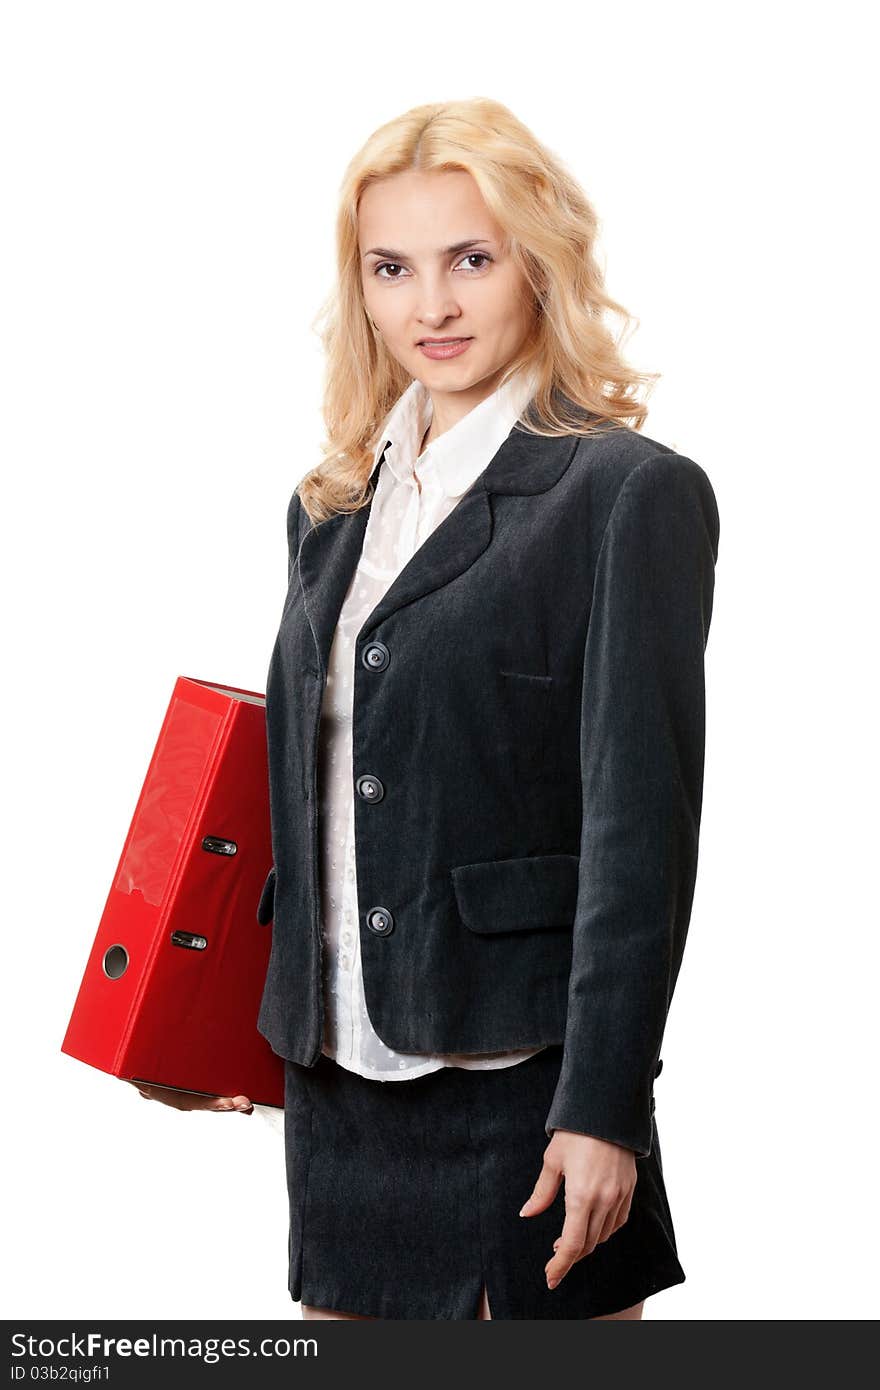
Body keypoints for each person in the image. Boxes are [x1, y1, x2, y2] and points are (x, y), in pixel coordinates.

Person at [136, 96, 720, 1322]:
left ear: (538, 266)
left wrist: (605, 1105)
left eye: (471, 259)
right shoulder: (330, 505)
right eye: (391, 269)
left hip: (525, 1088)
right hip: (340, 1086)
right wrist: (243, 1021)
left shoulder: (622, 496)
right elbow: (319, 785)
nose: (431, 308)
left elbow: (639, 834)